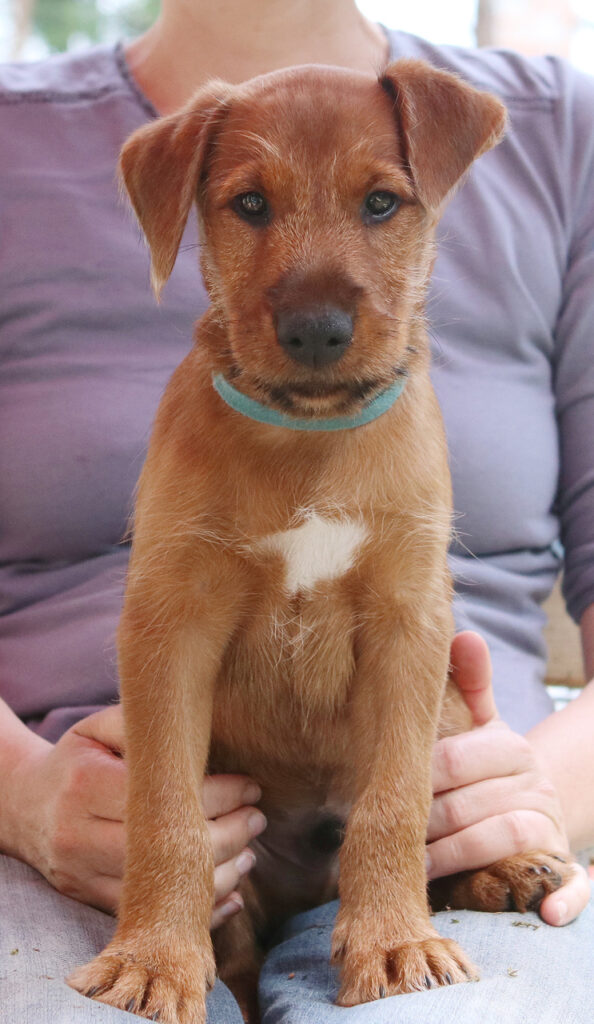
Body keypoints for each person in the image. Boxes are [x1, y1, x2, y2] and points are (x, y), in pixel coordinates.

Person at [0, 1, 593, 1020]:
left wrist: (539, 793)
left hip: (452, 825)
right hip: (89, 836)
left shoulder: (560, 128)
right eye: (251, 207)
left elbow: (410, 627)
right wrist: (24, 795)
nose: (315, 304)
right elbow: (164, 628)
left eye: (380, 204)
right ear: (177, 201)